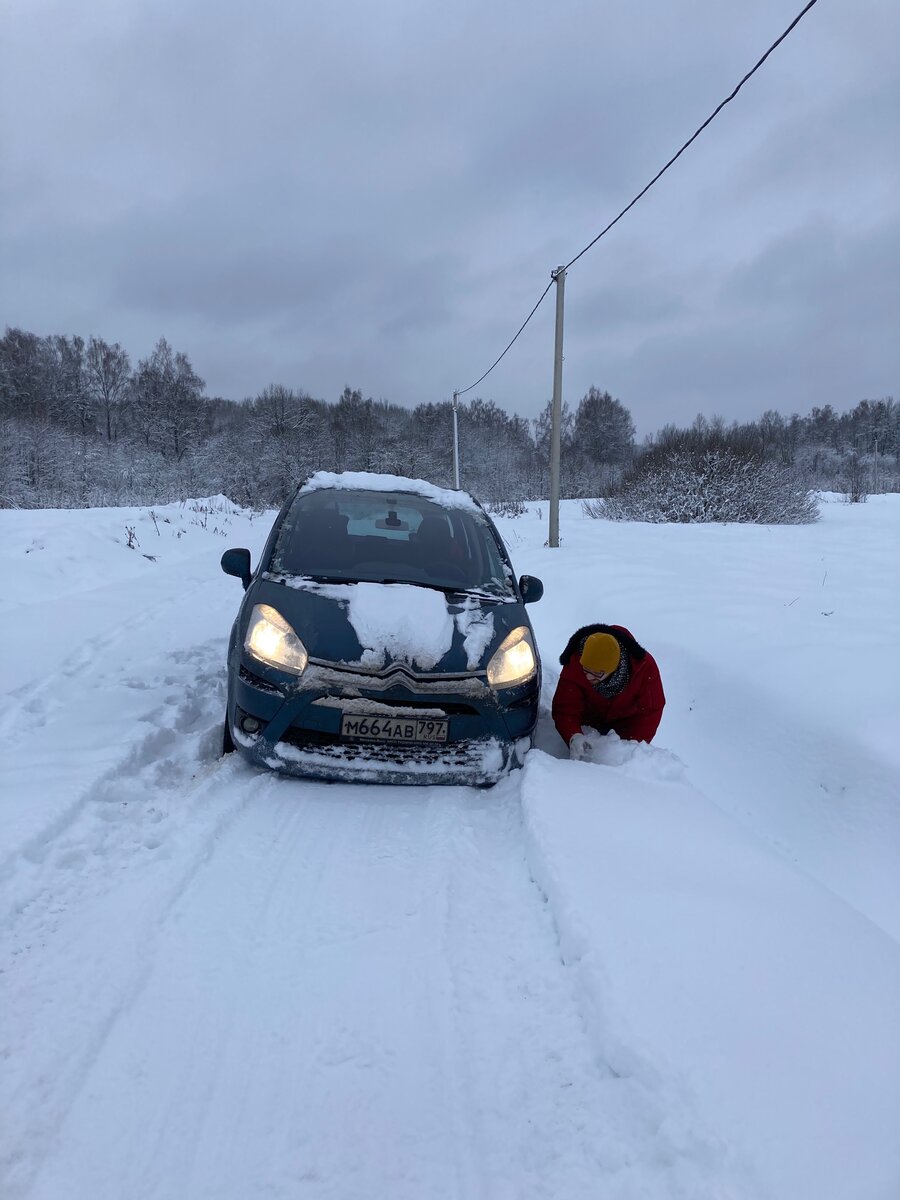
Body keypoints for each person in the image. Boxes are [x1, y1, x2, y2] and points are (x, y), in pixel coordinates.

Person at [552, 624, 665, 760]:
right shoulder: (576, 660)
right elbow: (565, 707)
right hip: (587, 724)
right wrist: (573, 735)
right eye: (586, 670)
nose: (588, 677)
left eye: (596, 673)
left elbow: (649, 715)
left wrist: (627, 749)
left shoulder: (644, 669)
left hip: (624, 728)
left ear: (614, 669)